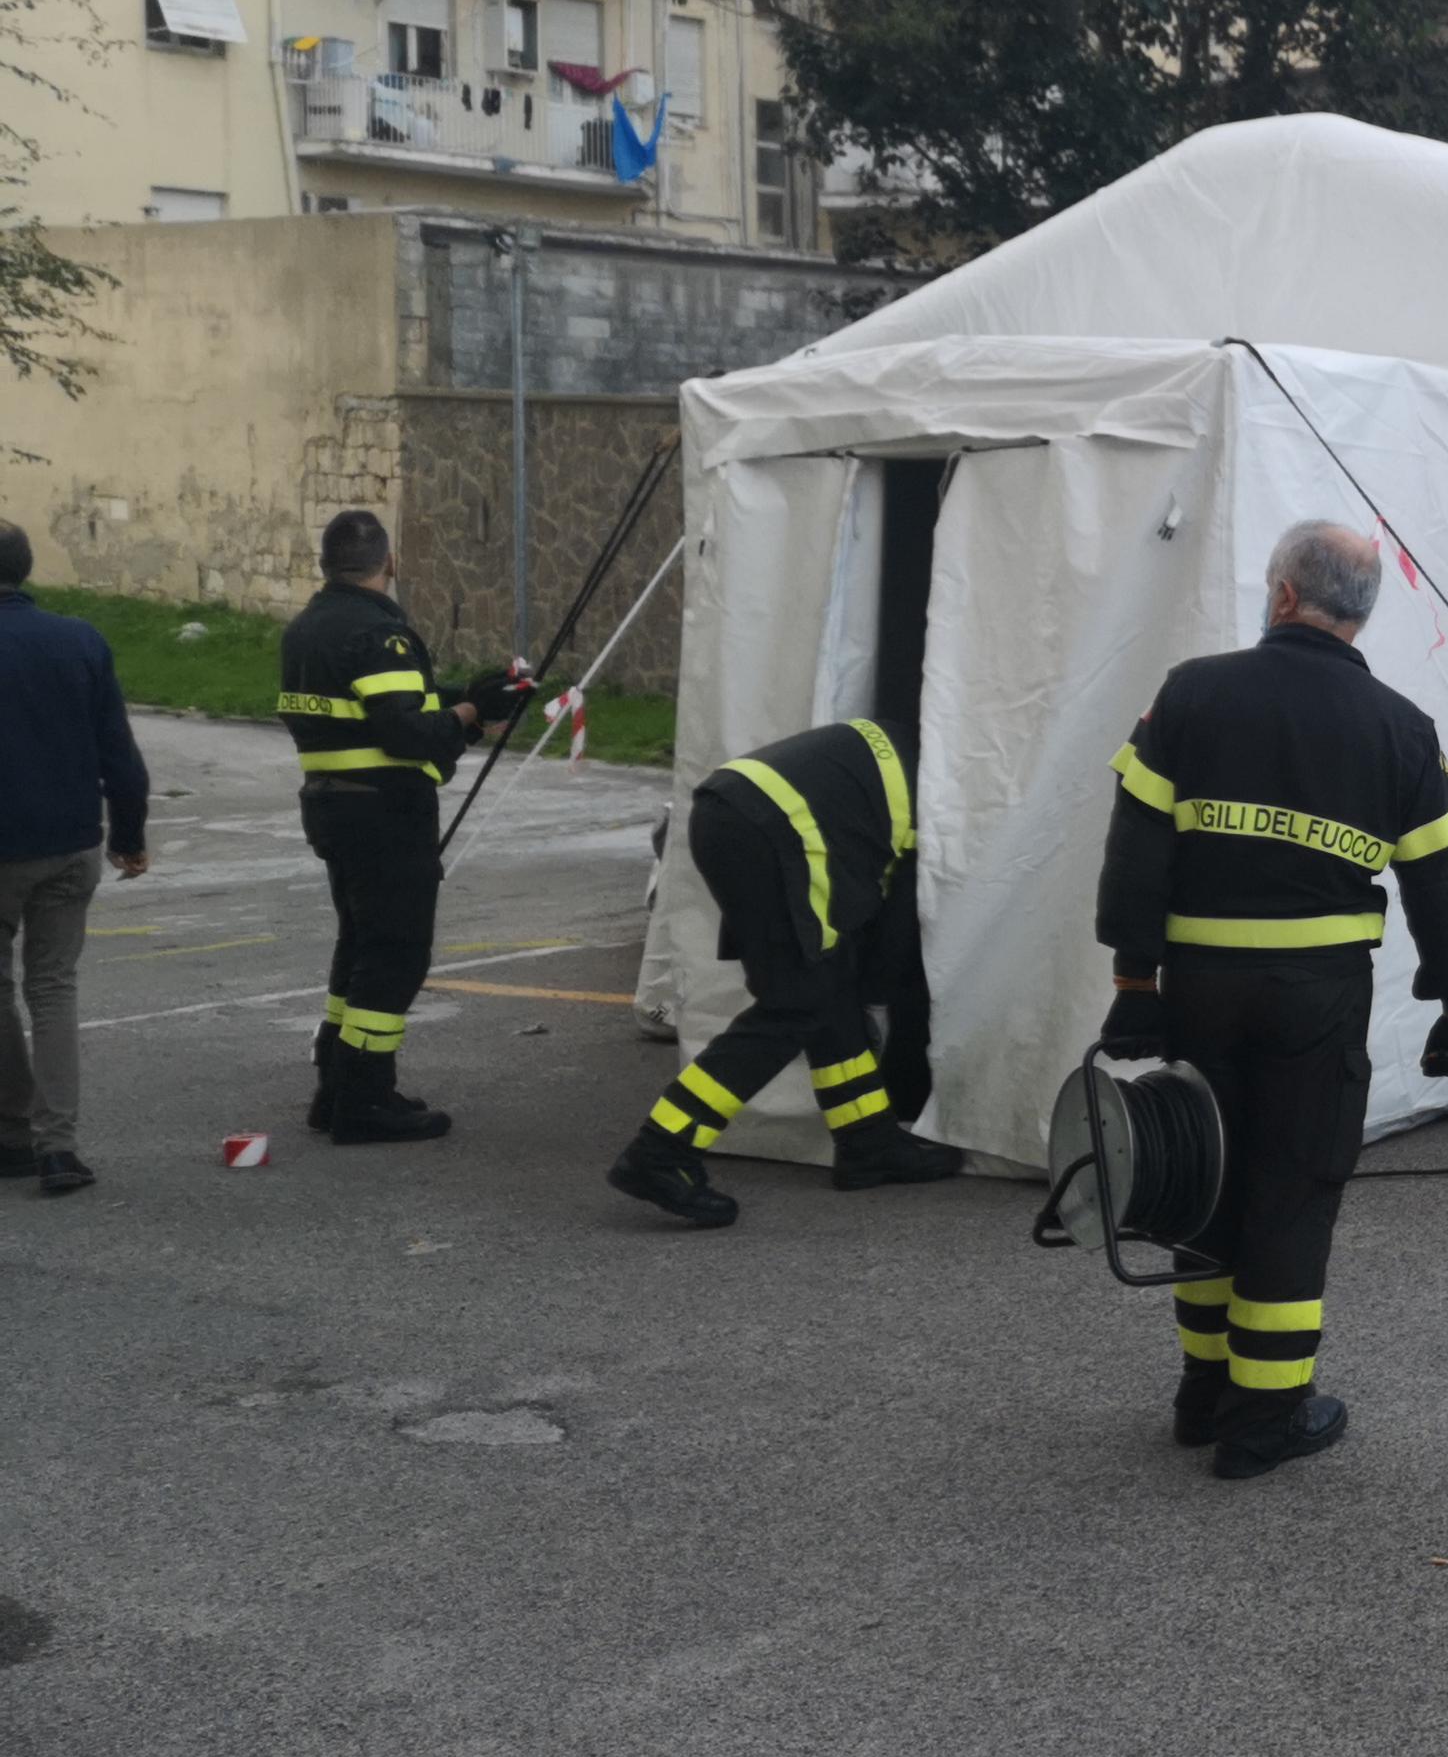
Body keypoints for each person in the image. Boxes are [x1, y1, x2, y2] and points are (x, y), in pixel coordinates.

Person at [1096, 520, 1448, 1481]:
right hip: (1317, 1001)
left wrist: (1133, 985)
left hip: (1200, 990)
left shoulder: (1192, 693)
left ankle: (1204, 1393)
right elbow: (1444, 883)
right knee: (1294, 1187)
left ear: (1281, 596)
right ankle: (1267, 1412)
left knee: (1203, 1176)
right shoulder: (1401, 728)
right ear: (1361, 615)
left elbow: (1138, 848)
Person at [607, 718, 965, 1225]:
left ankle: (867, 1140)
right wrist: (885, 991)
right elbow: (898, 921)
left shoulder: (918, 750)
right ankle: (659, 1151)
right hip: (778, 829)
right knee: (799, 1001)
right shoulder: (942, 798)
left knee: (826, 981)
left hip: (732, 814)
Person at [279, 511, 528, 1146]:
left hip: (332, 807)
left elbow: (384, 706)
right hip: (384, 814)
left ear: (326, 565)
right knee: (396, 957)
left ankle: (335, 1090)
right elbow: (405, 731)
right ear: (389, 564)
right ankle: (364, 1101)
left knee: (360, 947)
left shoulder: (307, 629)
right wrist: (472, 714)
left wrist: (467, 697)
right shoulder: (381, 632)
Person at [0, 521, 149, 1198]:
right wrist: (129, 834)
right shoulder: (79, 640)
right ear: (26, 570)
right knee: (53, 987)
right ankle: (59, 1148)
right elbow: (119, 752)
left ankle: (12, 1130)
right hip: (69, 843)